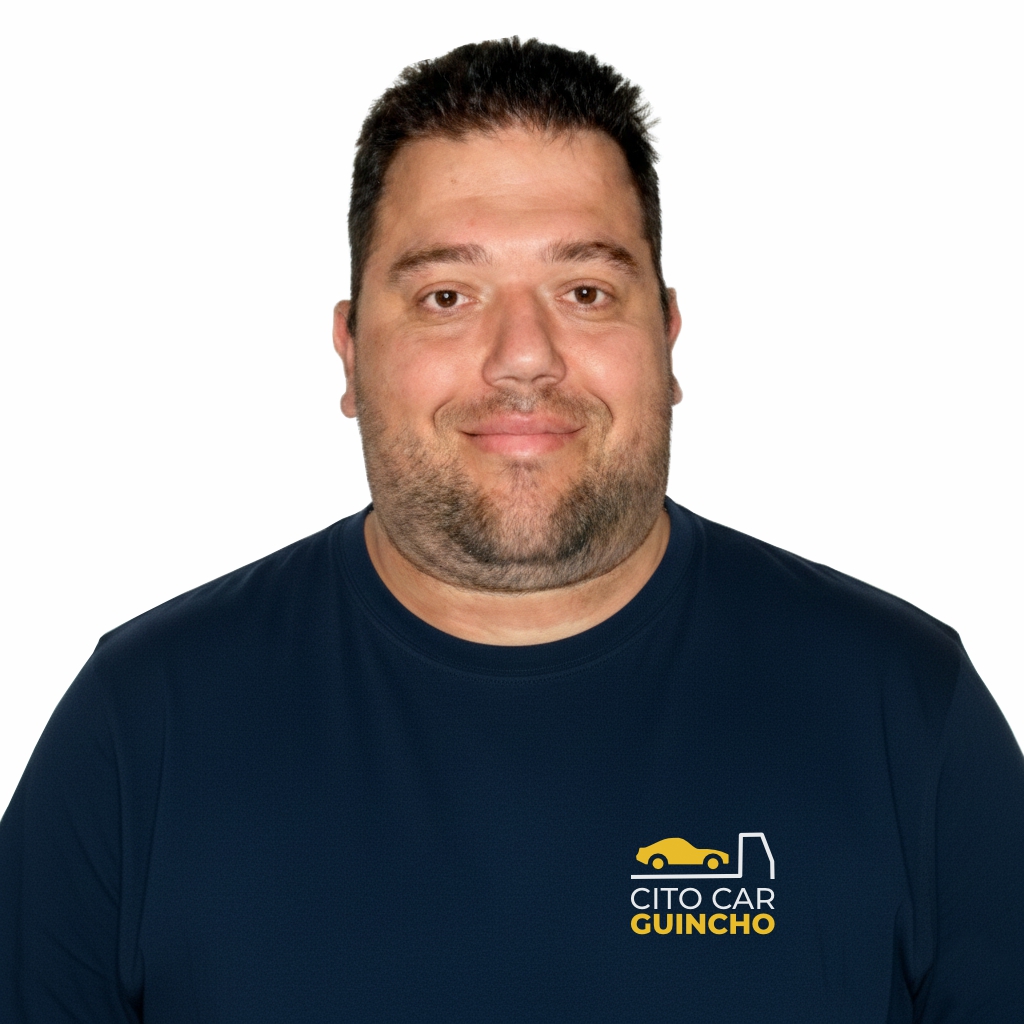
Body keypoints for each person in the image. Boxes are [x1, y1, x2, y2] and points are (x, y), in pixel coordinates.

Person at [2, 36, 1022, 1022]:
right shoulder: (142, 728)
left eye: (585, 291)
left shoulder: (904, 712)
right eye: (446, 295)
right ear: (350, 354)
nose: (523, 356)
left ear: (666, 339)